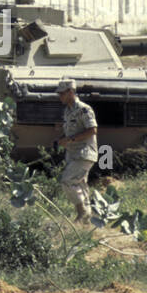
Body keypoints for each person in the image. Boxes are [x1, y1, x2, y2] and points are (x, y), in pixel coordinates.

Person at [55, 79, 98, 223]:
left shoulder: (83, 109)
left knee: (67, 181)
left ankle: (82, 212)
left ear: (71, 92)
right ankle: (87, 218)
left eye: (62, 93)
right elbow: (71, 132)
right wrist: (63, 139)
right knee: (80, 184)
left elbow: (92, 130)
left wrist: (71, 140)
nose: (59, 96)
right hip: (73, 154)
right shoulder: (68, 111)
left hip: (84, 152)